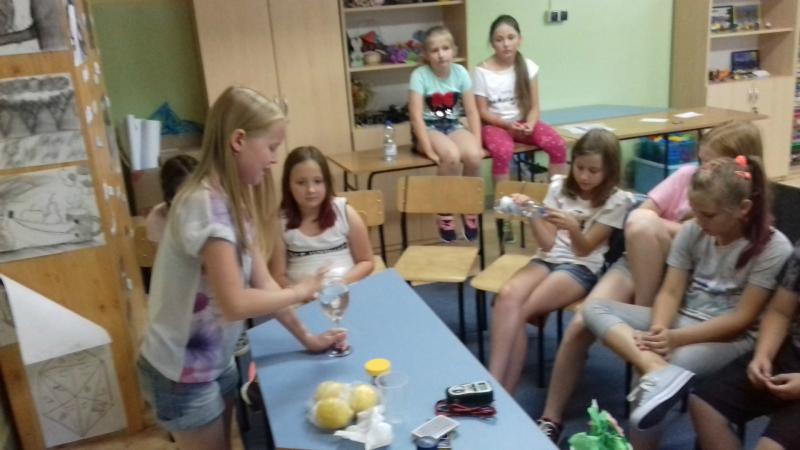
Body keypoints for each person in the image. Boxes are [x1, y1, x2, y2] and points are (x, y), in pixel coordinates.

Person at [136, 86, 345, 450]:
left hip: (215, 359)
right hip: (182, 373)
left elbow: (263, 283)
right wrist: (300, 290)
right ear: (238, 140)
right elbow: (234, 303)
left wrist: (308, 339)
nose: (274, 160)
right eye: (271, 148)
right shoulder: (206, 205)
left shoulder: (231, 201)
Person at [536, 122, 766, 444]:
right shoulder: (687, 178)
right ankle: (551, 417)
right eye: (702, 160)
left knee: (649, 340)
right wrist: (672, 232)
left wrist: (675, 231)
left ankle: (645, 361)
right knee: (582, 321)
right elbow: (640, 218)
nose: (702, 170)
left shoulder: (745, 219)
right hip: (641, 260)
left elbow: (704, 267)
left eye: (711, 163)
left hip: (685, 279)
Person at [581, 156, 792, 450]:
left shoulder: (774, 247)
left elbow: (741, 320)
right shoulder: (694, 230)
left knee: (664, 367)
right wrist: (659, 329)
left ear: (743, 209)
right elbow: (670, 291)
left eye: (708, 215)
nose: (699, 222)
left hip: (733, 337)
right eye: (695, 211)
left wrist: (675, 338)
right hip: (685, 318)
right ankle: (654, 367)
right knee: (594, 308)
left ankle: (647, 409)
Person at [488, 129, 632, 394]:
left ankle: (505, 392)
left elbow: (583, 250)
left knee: (522, 311)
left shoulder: (617, 200)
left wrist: (574, 228)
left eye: (593, 171)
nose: (584, 176)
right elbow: (547, 244)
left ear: (609, 171)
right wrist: (532, 213)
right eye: (580, 167)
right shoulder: (558, 187)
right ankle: (492, 382)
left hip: (581, 267)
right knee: (507, 298)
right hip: (547, 259)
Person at [690, 243, 800, 450]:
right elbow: (780, 311)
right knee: (704, 406)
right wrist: (763, 355)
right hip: (793, 350)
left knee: (771, 447)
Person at [473, 14, 567, 185]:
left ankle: (555, 196)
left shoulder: (529, 67)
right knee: (503, 151)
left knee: (558, 145)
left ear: (519, 40)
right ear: (492, 43)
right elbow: (482, 111)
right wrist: (507, 124)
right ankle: (503, 199)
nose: (506, 44)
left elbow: (535, 106)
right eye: (499, 39)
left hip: (523, 124)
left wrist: (530, 124)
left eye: (511, 37)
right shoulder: (482, 71)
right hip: (495, 126)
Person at [408, 25, 483, 243]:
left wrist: (477, 143)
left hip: (453, 126)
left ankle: (468, 207)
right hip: (428, 129)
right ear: (426, 54)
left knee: (473, 156)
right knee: (450, 156)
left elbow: (471, 111)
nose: (441, 54)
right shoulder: (419, 76)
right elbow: (416, 116)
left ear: (453, 50)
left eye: (445, 48)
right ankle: (445, 211)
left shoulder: (460, 73)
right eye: (435, 50)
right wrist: (428, 149)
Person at [269, 145, 374, 286]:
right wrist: (300, 292)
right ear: (288, 185)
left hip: (346, 290)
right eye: (301, 183)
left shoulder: (345, 212)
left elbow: (367, 261)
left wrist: (341, 282)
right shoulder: (280, 223)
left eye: (318, 181)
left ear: (327, 183)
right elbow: (278, 276)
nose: (311, 190)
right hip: (303, 296)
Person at [145, 154, 198, 243]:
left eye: (200, 188)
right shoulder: (157, 219)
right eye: (187, 193)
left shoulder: (215, 209)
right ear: (170, 197)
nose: (196, 197)